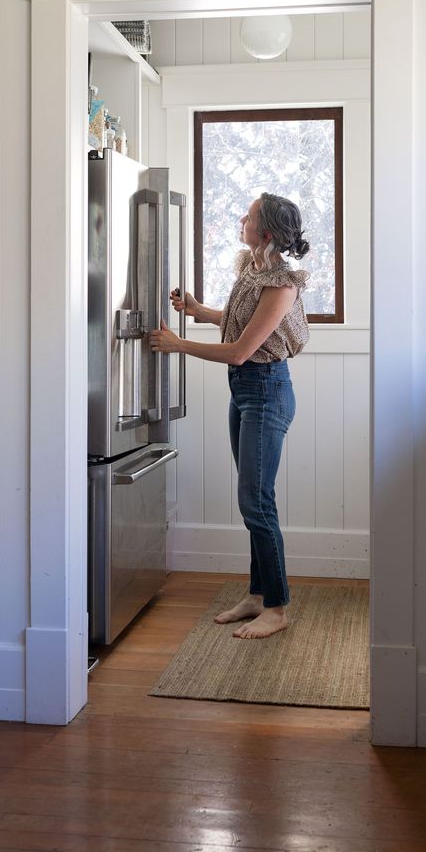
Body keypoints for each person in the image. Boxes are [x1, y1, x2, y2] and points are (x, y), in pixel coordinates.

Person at [149, 192, 311, 639]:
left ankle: (277, 609)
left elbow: (241, 351)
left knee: (255, 502)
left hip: (266, 390)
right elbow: (242, 322)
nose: (242, 218)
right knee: (253, 500)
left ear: (268, 231)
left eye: (250, 215)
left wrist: (178, 344)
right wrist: (199, 311)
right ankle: (258, 597)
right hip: (245, 392)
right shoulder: (253, 269)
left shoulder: (283, 283)